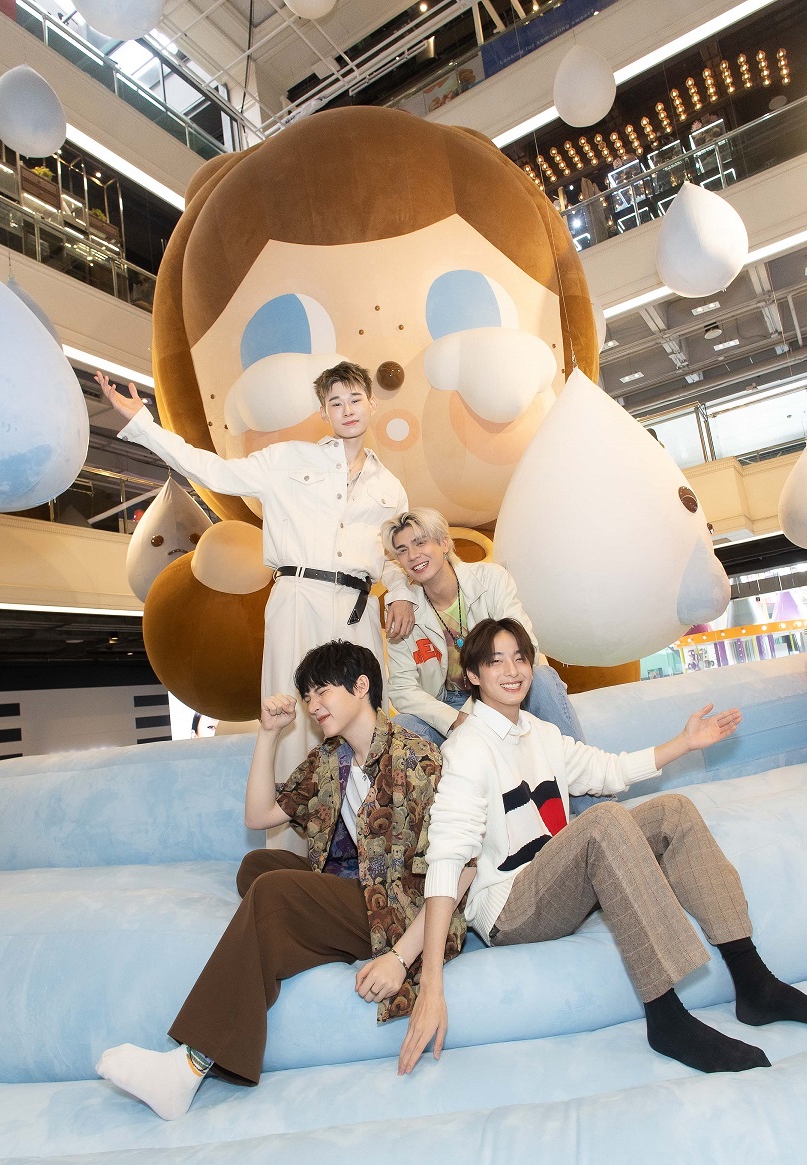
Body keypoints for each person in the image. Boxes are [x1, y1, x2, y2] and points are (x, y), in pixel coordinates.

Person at [402, 617, 807, 1078]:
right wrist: (431, 985)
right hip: (510, 909)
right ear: (474, 675)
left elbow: (609, 771)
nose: (512, 671)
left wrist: (684, 743)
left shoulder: (539, 733)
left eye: (520, 659)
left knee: (673, 811)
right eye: (496, 662)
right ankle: (667, 1019)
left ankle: (754, 982)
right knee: (604, 821)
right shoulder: (468, 748)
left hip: (556, 879)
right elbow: (447, 857)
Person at [95, 640, 472, 1118]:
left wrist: (400, 958)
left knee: (273, 894)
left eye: (322, 692)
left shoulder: (416, 759)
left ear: (361, 687)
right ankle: (285, 936)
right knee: (256, 868)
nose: (312, 706)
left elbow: (462, 868)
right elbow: (258, 816)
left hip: (403, 908)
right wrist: (268, 734)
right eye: (307, 697)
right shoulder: (331, 758)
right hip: (359, 887)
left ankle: (188, 1066)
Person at [98, 362, 415, 781]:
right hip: (297, 597)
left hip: (357, 609)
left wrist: (401, 593)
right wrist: (144, 425)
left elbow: (394, 554)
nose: (348, 409)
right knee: (292, 714)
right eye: (336, 402)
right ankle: (290, 820)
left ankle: (369, 815)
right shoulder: (286, 459)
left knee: (366, 711)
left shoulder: (391, 486)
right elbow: (214, 471)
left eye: (355, 399)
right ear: (324, 411)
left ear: (371, 403)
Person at [381, 507, 582, 747]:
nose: (413, 555)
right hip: (448, 704)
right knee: (404, 725)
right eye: (402, 550)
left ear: (444, 543)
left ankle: (577, 764)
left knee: (543, 678)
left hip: (502, 687)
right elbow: (402, 687)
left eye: (420, 543)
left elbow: (526, 646)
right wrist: (453, 719)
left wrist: (479, 712)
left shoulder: (491, 579)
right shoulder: (401, 611)